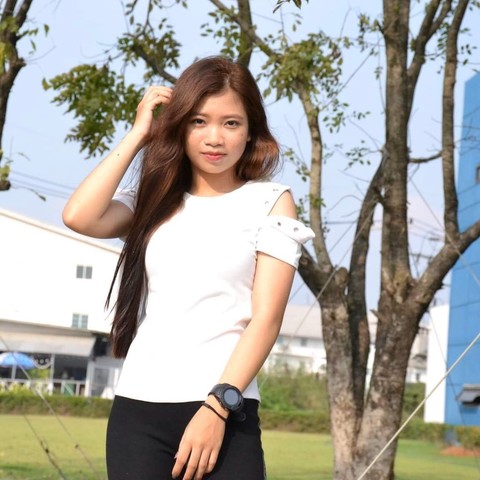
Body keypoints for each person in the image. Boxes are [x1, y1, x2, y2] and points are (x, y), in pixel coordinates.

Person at [63, 56, 314, 480]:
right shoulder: (154, 198)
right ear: (179, 126)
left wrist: (216, 408)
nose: (215, 138)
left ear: (250, 129)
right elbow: (79, 216)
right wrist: (139, 133)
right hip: (139, 411)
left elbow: (267, 319)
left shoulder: (270, 201)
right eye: (199, 121)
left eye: (231, 123)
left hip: (225, 411)